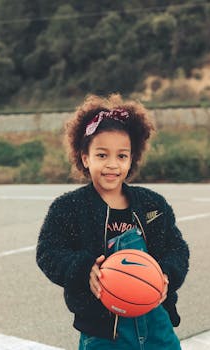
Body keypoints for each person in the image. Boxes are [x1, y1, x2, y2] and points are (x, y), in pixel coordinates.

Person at [36, 94, 189, 349]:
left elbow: (178, 248)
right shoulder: (69, 207)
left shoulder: (152, 204)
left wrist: (166, 274)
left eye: (121, 156)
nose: (112, 165)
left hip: (156, 324)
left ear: (132, 158)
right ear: (85, 158)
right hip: (104, 332)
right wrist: (83, 269)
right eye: (102, 155)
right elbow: (48, 252)